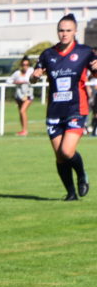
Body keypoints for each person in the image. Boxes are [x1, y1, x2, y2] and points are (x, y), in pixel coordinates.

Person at [32, 13, 95, 200]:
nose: (64, 34)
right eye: (61, 30)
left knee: (67, 151)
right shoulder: (48, 54)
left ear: (75, 31)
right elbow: (34, 77)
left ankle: (82, 176)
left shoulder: (85, 52)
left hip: (76, 108)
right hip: (54, 110)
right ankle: (71, 193)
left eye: (68, 30)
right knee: (60, 156)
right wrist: (34, 76)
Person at [9, 56, 34, 136]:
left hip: (28, 95)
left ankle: (25, 131)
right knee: (21, 113)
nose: (25, 66)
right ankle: (23, 129)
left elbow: (30, 80)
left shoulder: (31, 71)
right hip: (19, 95)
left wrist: (23, 81)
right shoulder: (17, 73)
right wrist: (16, 82)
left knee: (22, 111)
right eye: (23, 64)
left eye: (27, 65)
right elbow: (9, 80)